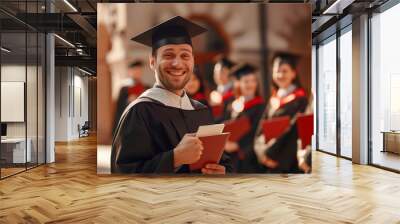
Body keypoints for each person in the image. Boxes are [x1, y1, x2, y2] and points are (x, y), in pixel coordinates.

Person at [111, 16, 232, 174]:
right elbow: (123, 177)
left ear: (193, 61)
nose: (177, 63)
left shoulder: (200, 111)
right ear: (152, 62)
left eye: (185, 55)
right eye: (168, 55)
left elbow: (223, 160)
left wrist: (223, 171)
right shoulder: (140, 112)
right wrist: (174, 159)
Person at [253, 53, 308, 173]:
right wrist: (261, 153)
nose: (280, 75)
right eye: (277, 71)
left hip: (286, 164)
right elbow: (260, 131)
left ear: (293, 74)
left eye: (285, 71)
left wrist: (275, 158)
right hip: (267, 161)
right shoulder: (273, 99)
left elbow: (295, 135)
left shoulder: (300, 100)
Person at [223, 64, 266, 173]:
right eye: (246, 81)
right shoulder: (233, 105)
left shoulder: (260, 107)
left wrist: (238, 145)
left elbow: (257, 132)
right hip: (231, 158)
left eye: (253, 81)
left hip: (249, 160)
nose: (250, 84)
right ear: (238, 83)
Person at [113, 60, 149, 133]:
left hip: (143, 124)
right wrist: (128, 101)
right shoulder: (124, 89)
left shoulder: (146, 88)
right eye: (135, 70)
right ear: (130, 72)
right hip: (128, 123)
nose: (137, 73)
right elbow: (119, 109)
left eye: (139, 71)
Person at [209, 57, 236, 122]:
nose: (218, 75)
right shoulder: (215, 93)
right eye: (216, 72)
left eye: (222, 72)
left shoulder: (235, 92)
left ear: (230, 72)